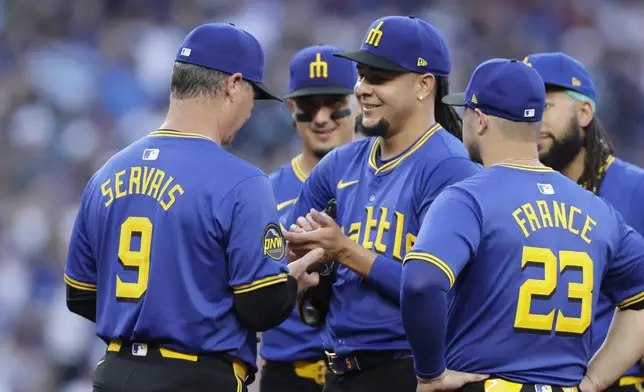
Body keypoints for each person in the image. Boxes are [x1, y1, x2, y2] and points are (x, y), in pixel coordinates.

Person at [64, 23, 324, 392]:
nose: (251, 110)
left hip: (115, 373)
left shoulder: (107, 173)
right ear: (233, 85)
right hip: (196, 376)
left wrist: (150, 315)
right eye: (253, 94)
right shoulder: (242, 180)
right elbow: (261, 306)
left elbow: (81, 295)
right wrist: (288, 283)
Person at [400, 58, 644, 392]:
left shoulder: (467, 198)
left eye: (466, 112)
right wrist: (593, 380)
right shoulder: (598, 209)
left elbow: (420, 282)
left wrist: (430, 374)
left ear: (481, 119)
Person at [281, 15, 481, 392]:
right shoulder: (339, 164)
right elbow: (290, 260)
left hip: (412, 370)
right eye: (361, 75)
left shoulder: (450, 167)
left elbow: (439, 289)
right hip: (339, 370)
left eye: (380, 77)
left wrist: (344, 251)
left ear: (424, 85)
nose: (362, 89)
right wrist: (304, 269)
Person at [525, 52, 644, 392]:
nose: (532, 118)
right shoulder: (517, 189)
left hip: (617, 382)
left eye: (544, 106)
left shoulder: (635, 189)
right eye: (525, 108)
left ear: (584, 112)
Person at [259, 44, 358, 392]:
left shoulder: (384, 185)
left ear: (356, 102)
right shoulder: (264, 194)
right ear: (290, 108)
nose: (320, 118)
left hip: (365, 372)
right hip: (289, 373)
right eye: (309, 105)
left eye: (333, 104)